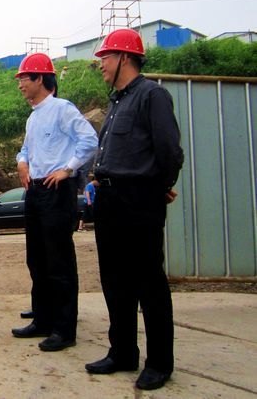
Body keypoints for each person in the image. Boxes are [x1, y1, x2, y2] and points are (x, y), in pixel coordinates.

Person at [85, 28, 183, 391]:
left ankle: (159, 363)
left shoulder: (152, 95)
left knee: (148, 282)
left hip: (139, 201)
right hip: (109, 200)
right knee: (115, 281)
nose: (101, 65)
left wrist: (158, 188)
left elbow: (169, 150)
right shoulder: (117, 101)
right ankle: (122, 352)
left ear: (125, 57)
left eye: (105, 58)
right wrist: (99, 180)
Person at [11, 53, 98, 352]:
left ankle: (64, 329)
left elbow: (89, 140)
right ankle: (43, 320)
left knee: (58, 261)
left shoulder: (62, 109)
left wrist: (68, 169)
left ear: (40, 79)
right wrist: (22, 162)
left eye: (24, 78)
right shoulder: (33, 116)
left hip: (56, 190)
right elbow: (25, 149)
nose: (20, 84)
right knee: (36, 258)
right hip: (35, 191)